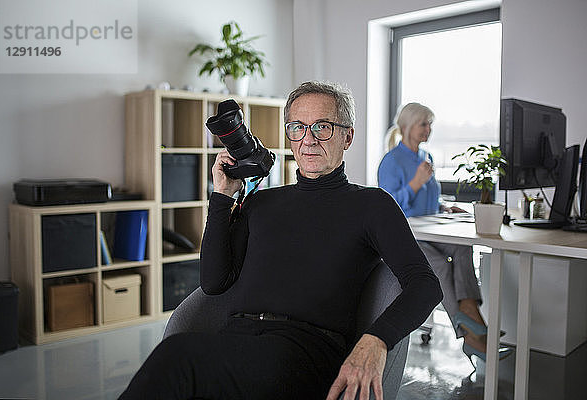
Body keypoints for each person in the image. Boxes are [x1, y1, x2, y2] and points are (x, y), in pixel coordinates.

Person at [119, 82, 442, 400]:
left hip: (305, 353)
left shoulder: (372, 205)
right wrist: (221, 197)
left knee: (178, 356)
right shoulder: (261, 203)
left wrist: (376, 340)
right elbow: (214, 283)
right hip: (238, 341)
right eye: (297, 127)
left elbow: (425, 285)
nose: (308, 139)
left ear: (348, 136)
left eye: (323, 127)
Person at [377, 102, 511, 364]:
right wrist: (415, 183)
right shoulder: (391, 161)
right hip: (407, 235)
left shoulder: (427, 157)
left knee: (462, 248)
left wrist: (444, 206)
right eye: (423, 124)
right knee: (439, 264)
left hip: (432, 231)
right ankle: (472, 333)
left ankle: (470, 317)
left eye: (430, 125)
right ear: (406, 127)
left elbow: (427, 200)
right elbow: (389, 206)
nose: (428, 130)